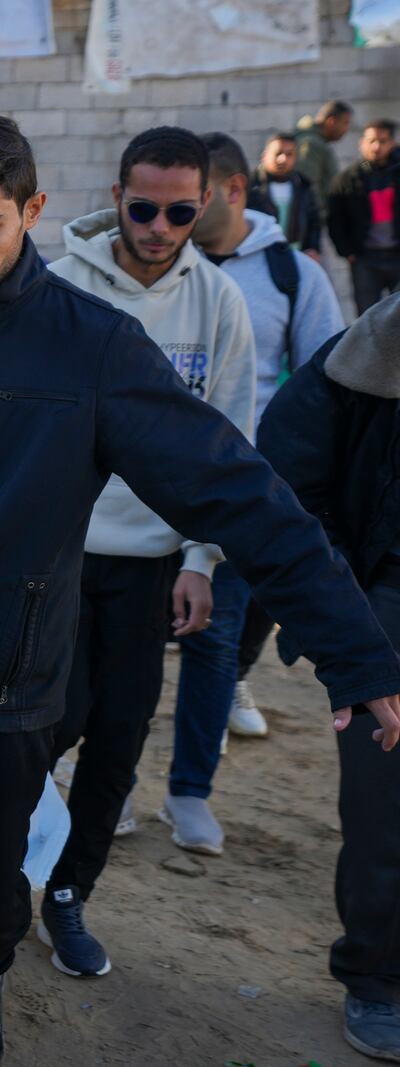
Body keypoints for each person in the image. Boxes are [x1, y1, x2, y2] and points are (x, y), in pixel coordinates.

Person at [0, 112, 400, 1067]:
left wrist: (355, 651)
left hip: (0, 692)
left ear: (32, 211)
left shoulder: (95, 348)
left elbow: (238, 490)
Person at [36, 126, 255, 976]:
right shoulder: (57, 287)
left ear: (203, 204)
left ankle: (66, 893)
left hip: (152, 564)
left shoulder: (219, 303)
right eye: (142, 207)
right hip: (52, 553)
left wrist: (201, 559)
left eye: (178, 210)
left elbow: (225, 441)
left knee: (119, 736)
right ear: (116, 194)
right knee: (41, 727)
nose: (159, 227)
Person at [258, 292, 400, 1063]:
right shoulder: (363, 355)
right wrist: (347, 607)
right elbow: (287, 480)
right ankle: (377, 978)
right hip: (386, 603)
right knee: (387, 809)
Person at [176, 131, 345, 767]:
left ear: (234, 190)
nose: (177, 217)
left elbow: (324, 378)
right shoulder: (164, 262)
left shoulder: (292, 274)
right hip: (151, 478)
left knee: (227, 626)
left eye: (194, 200)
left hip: (248, 478)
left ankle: (217, 708)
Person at [329, 118, 400, 314]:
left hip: (397, 255)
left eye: (383, 141)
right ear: (362, 143)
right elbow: (336, 218)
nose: (377, 147)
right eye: (372, 141)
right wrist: (347, 251)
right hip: (365, 259)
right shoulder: (348, 178)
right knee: (366, 318)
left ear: (392, 143)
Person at [247, 131, 323, 257]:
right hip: (258, 253)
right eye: (278, 153)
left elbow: (314, 222)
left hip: (296, 254)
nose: (283, 159)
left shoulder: (304, 186)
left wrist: (313, 247)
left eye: (289, 154)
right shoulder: (250, 186)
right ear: (265, 155)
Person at [296, 99, 354, 218]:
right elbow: (308, 185)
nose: (346, 130)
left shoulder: (317, 142)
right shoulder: (311, 144)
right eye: (345, 123)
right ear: (331, 121)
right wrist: (319, 217)